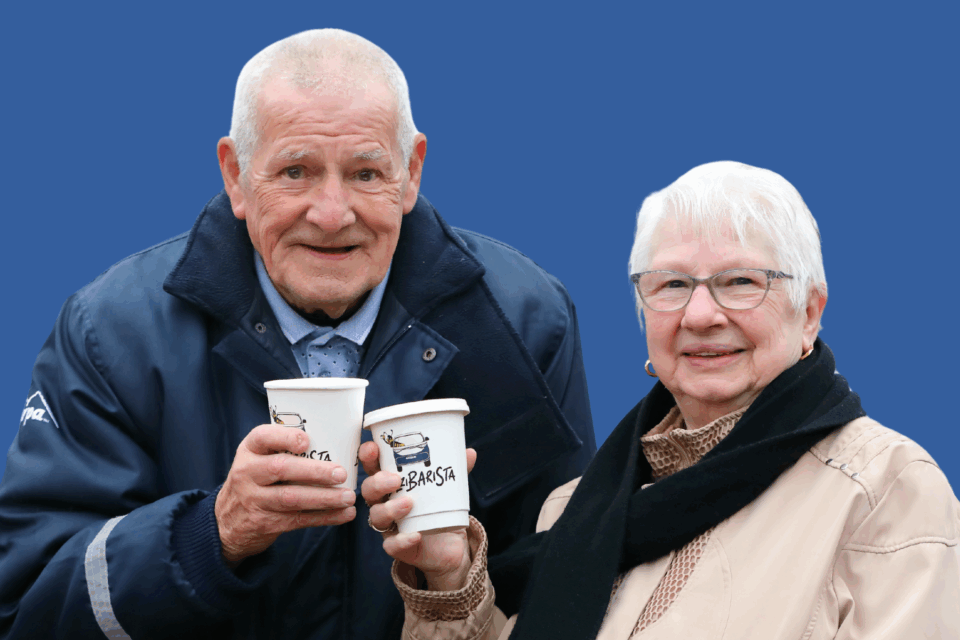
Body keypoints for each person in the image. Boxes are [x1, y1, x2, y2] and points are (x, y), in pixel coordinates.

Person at [0, 30, 596, 639]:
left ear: (411, 171)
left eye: (366, 173)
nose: (332, 214)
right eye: (295, 171)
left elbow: (572, 588)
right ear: (235, 176)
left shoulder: (524, 321)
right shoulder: (113, 333)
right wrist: (213, 534)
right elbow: (27, 605)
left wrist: (455, 581)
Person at [364, 161, 960, 638]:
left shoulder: (886, 489)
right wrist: (446, 577)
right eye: (672, 285)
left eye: (742, 282)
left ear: (810, 313)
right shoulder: (574, 507)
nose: (701, 315)